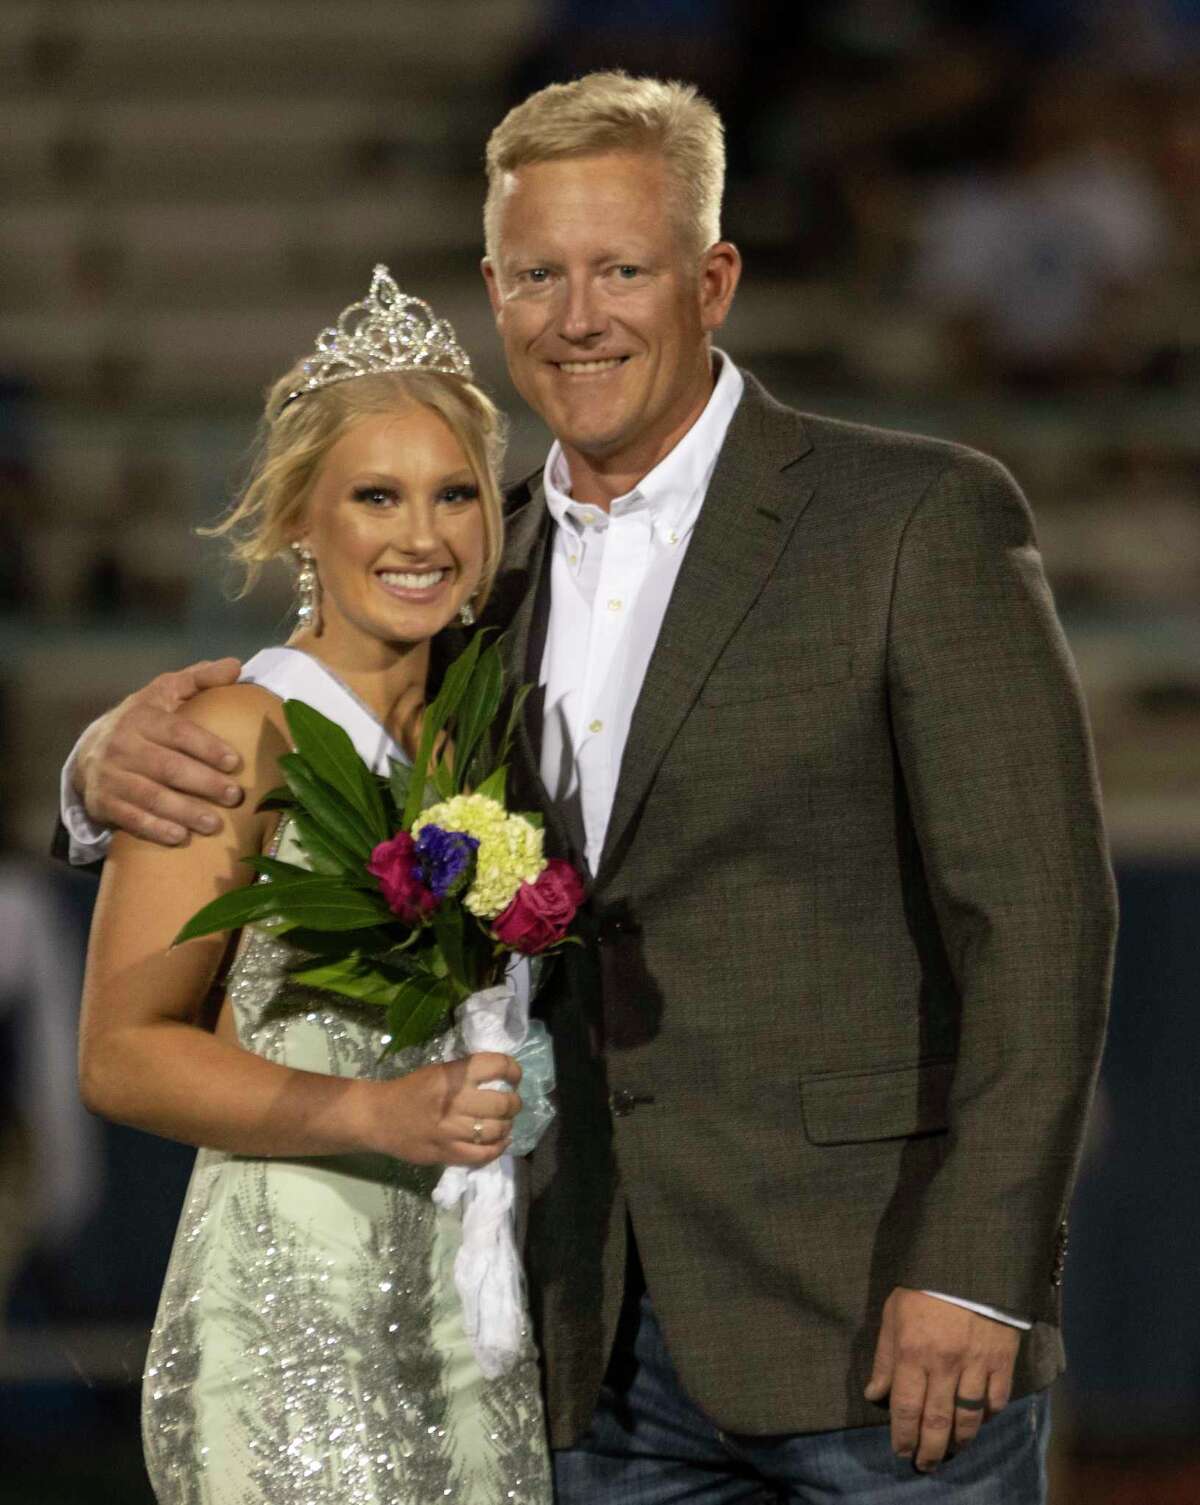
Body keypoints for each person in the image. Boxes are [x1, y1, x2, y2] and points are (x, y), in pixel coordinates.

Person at [62, 74, 1115, 1505]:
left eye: (623, 267)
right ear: (495, 289)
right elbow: (288, 730)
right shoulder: (467, 577)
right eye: (541, 275)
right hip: (574, 1345)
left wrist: (983, 1274)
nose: (580, 316)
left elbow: (1043, 924)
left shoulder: (912, 517)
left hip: (875, 1325)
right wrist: (96, 760)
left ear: (715, 277)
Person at [75, 269, 553, 1504]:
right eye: (376, 496)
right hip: (290, 1318)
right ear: (300, 519)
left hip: (475, 1325)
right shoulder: (238, 730)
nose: (423, 535)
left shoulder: (485, 741)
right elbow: (121, 1052)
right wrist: (375, 1115)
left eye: (455, 494)